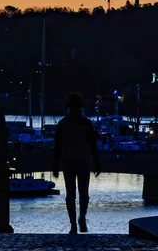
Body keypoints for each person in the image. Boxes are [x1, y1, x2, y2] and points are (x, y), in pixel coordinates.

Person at [53, 93, 101, 234]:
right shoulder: (86, 123)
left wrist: (55, 164)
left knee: (71, 194)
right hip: (83, 161)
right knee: (83, 193)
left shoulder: (63, 124)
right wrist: (97, 161)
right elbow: (92, 144)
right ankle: (82, 218)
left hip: (68, 161)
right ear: (80, 107)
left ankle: (73, 224)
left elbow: (57, 146)